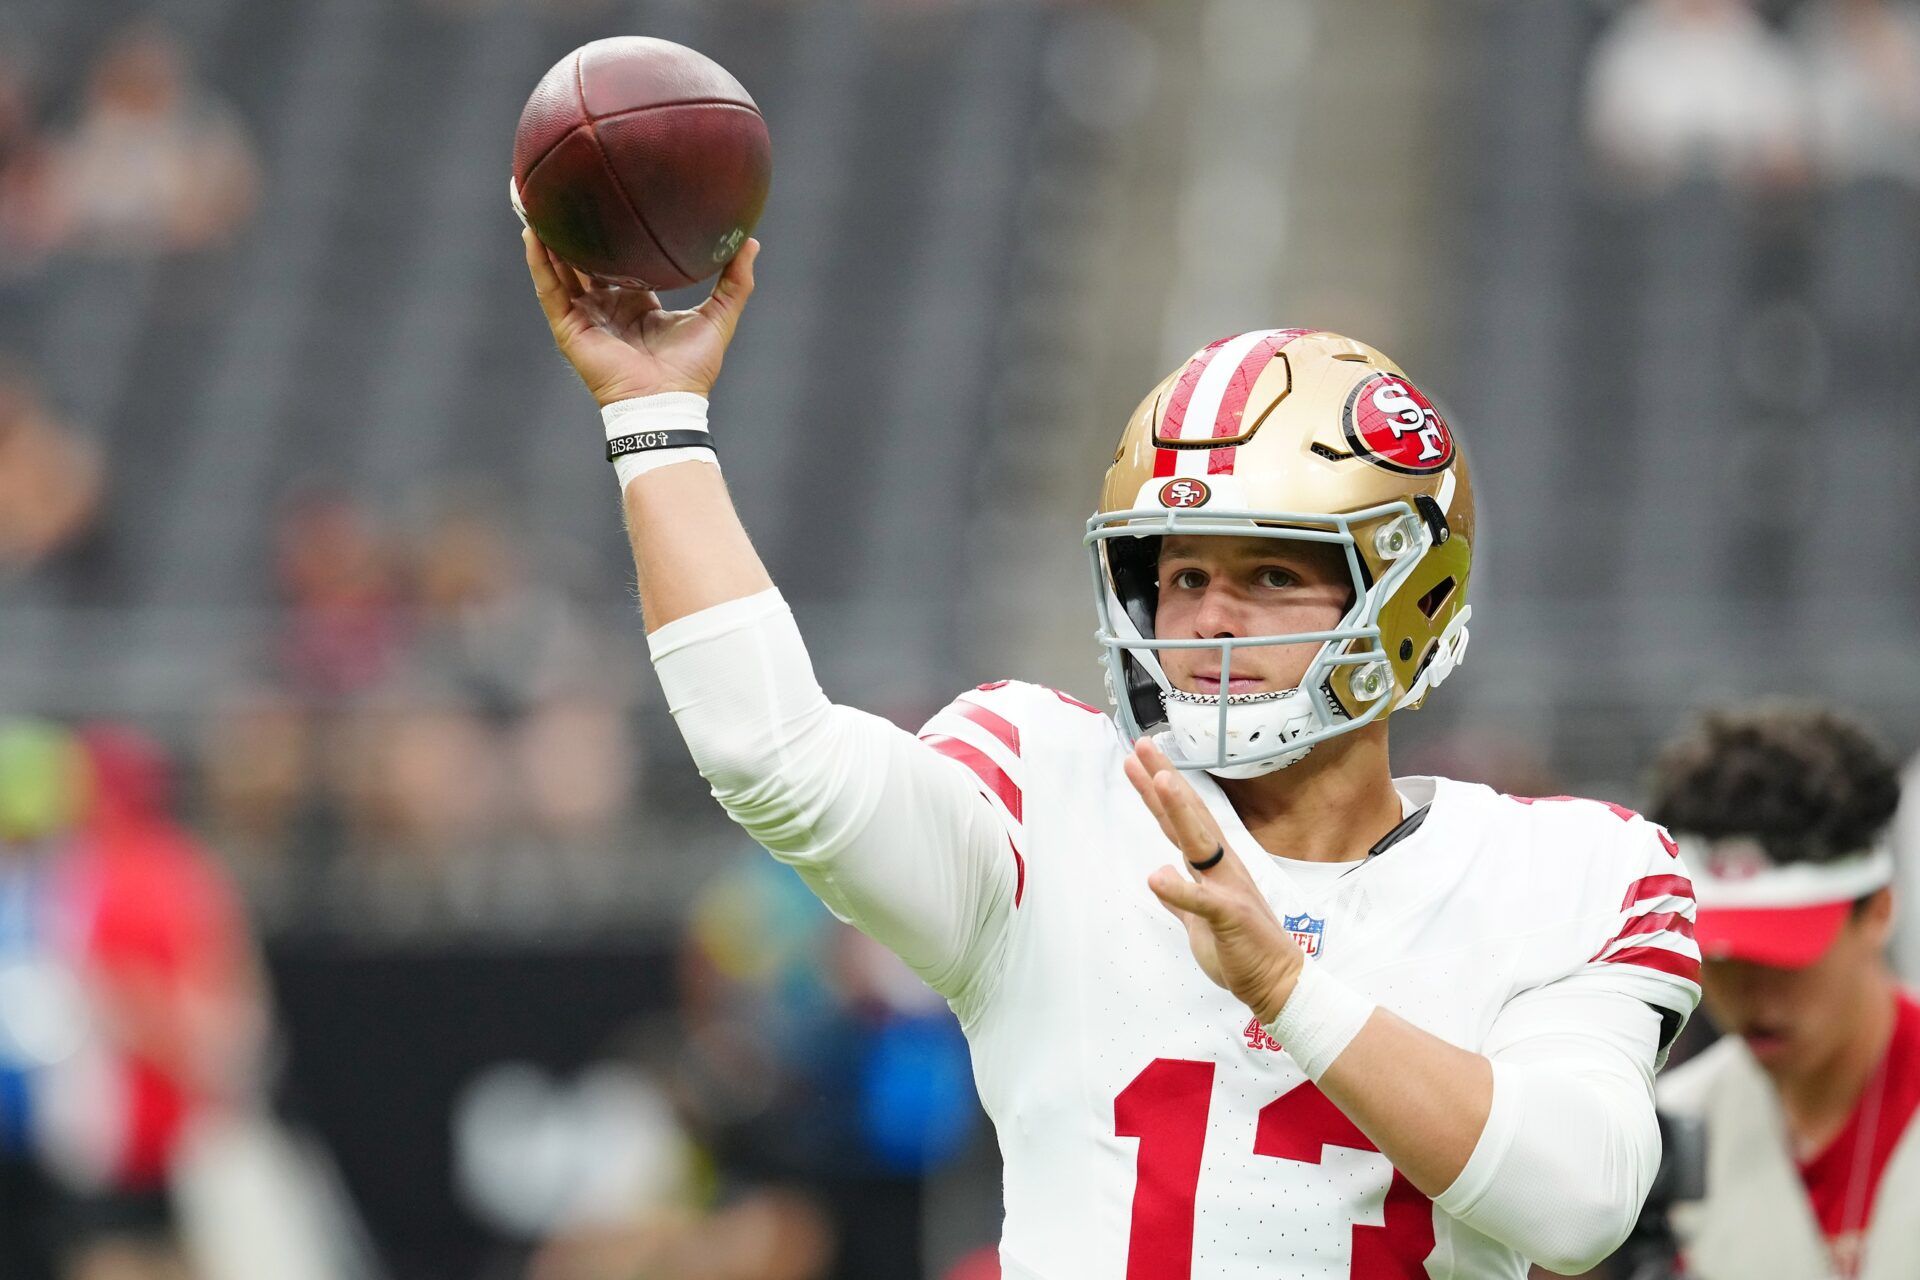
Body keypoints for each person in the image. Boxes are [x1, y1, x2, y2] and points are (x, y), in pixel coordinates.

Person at [521, 229, 1702, 1277]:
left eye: (1271, 574)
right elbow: (772, 756)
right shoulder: (1047, 783)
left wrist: (1288, 987)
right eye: (1183, 575)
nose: (1208, 621)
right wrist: (653, 418)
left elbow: (1579, 1200)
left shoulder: (1568, 870)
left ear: (1409, 590)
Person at [1650, 706, 1915, 1280]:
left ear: (1877, 913)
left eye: (1785, 956)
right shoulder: (1661, 1137)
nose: (1754, 997)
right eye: (1722, 957)